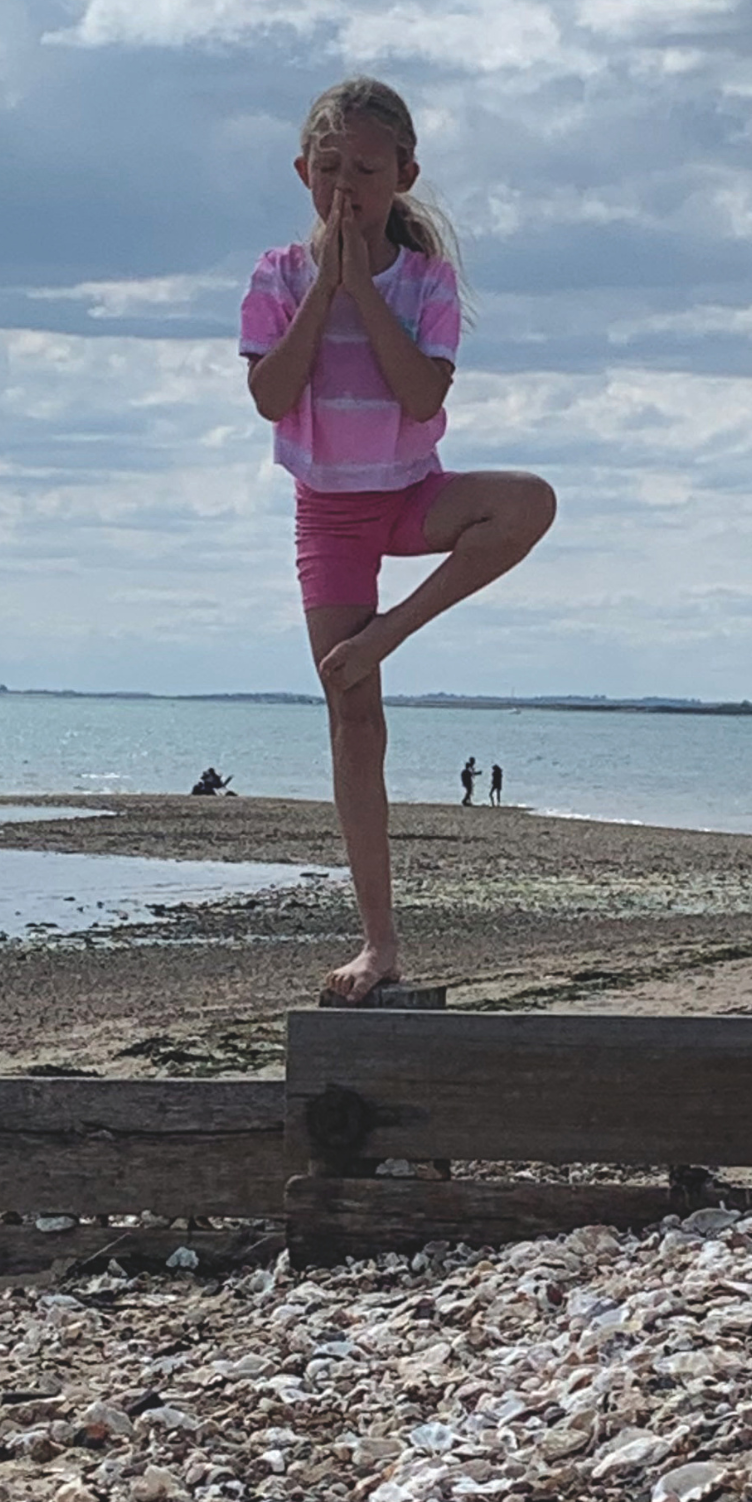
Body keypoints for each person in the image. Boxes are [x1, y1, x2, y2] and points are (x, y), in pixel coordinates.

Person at [242, 77, 555, 1002]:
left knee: (529, 500)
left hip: (412, 494)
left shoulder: (426, 280)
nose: (347, 188)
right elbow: (269, 395)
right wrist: (324, 286)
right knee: (356, 717)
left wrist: (363, 289)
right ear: (304, 171)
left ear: (404, 175)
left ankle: (392, 631)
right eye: (330, 168)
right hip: (328, 510)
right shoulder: (274, 275)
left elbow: (423, 397)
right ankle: (379, 942)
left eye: (367, 171)